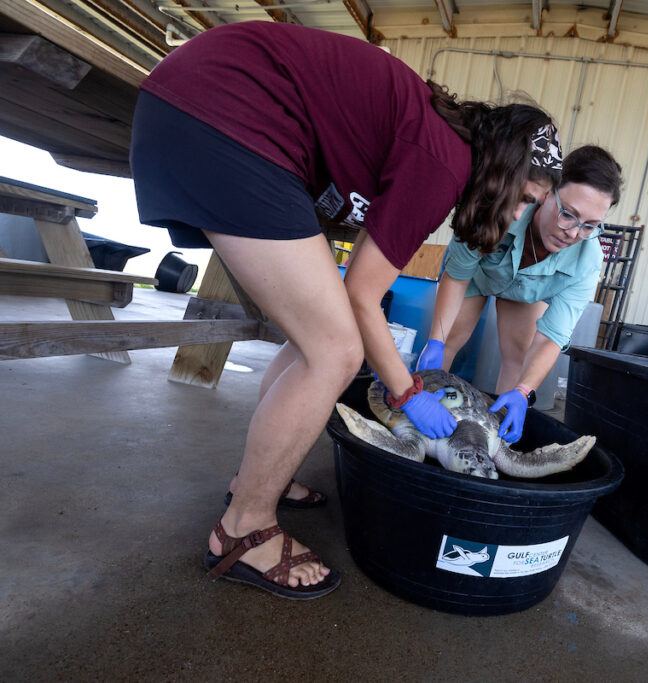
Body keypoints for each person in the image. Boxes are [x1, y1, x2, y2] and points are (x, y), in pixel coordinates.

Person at [129, 21, 562, 599]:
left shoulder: (438, 145)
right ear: (506, 170)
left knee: (314, 337)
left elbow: (356, 283)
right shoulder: (442, 162)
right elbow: (363, 293)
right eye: (525, 201)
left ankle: (258, 482)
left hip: (206, 104)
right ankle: (243, 530)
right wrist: (408, 393)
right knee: (336, 350)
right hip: (227, 115)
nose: (516, 218)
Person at [417, 145, 622, 444]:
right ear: (548, 192)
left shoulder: (587, 260)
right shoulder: (502, 209)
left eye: (589, 225)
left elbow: (553, 335)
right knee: (448, 339)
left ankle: (494, 438)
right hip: (476, 274)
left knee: (519, 355)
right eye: (568, 214)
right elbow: (458, 276)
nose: (573, 233)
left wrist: (524, 392)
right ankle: (423, 421)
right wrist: (435, 340)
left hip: (525, 292)